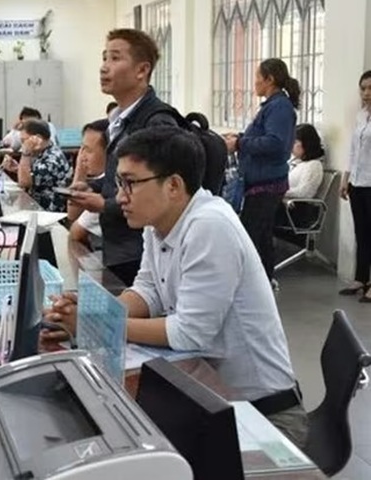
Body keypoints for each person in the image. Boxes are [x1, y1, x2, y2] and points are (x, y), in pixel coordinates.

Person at [43, 127, 308, 448]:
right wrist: (92, 311)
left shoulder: (209, 225)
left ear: (173, 185)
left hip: (265, 417)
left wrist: (100, 324)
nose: (121, 196)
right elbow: (148, 291)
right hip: (210, 400)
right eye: (119, 184)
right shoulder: (159, 224)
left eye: (130, 183)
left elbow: (189, 333)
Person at [67, 28, 178, 286]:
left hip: (141, 255)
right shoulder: (119, 121)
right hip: (119, 249)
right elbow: (121, 181)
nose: (104, 67)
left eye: (115, 58)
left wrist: (103, 205)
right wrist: (93, 188)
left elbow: (158, 196)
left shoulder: (157, 122)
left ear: (142, 70)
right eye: (104, 58)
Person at [224, 58, 299, 283]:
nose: (254, 82)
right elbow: (263, 136)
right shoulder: (272, 106)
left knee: (251, 236)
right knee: (262, 236)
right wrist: (240, 138)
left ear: (270, 79)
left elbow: (275, 143)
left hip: (267, 184)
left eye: (257, 77)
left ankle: (254, 284)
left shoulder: (280, 107)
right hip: (259, 181)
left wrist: (240, 144)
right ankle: (264, 281)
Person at [339, 70, 371, 302]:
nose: (366, 93)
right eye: (363, 88)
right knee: (361, 232)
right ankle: (361, 278)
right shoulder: (361, 116)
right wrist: (345, 178)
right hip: (357, 182)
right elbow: (353, 151)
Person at [1, 118, 72, 212]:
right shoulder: (45, 152)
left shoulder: (52, 159)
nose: (22, 145)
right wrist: (17, 169)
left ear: (38, 139)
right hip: (35, 206)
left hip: (48, 212)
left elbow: (24, 182)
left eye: (24, 141)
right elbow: (34, 176)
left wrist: (25, 154)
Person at [68, 119, 108, 249]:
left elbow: (76, 232)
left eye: (88, 150)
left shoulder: (109, 188)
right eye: (82, 149)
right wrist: (80, 172)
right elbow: (73, 214)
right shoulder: (98, 181)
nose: (82, 157)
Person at [285, 124, 324, 200]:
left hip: (295, 205)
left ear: (307, 143)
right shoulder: (296, 162)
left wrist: (278, 193)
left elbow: (304, 193)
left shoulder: (314, 165)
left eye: (294, 142)